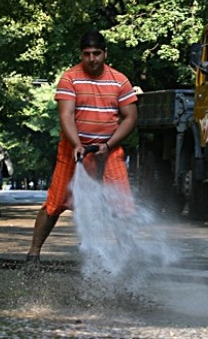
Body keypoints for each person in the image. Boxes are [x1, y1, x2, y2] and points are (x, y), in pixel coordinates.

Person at [26, 30, 138, 269]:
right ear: (81, 54)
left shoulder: (120, 81)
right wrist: (77, 144)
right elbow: (66, 115)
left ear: (105, 53)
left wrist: (108, 145)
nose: (92, 59)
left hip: (109, 151)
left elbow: (130, 117)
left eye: (97, 53)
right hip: (73, 150)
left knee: (123, 207)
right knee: (54, 204)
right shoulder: (70, 78)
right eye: (87, 54)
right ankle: (33, 255)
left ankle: (127, 258)